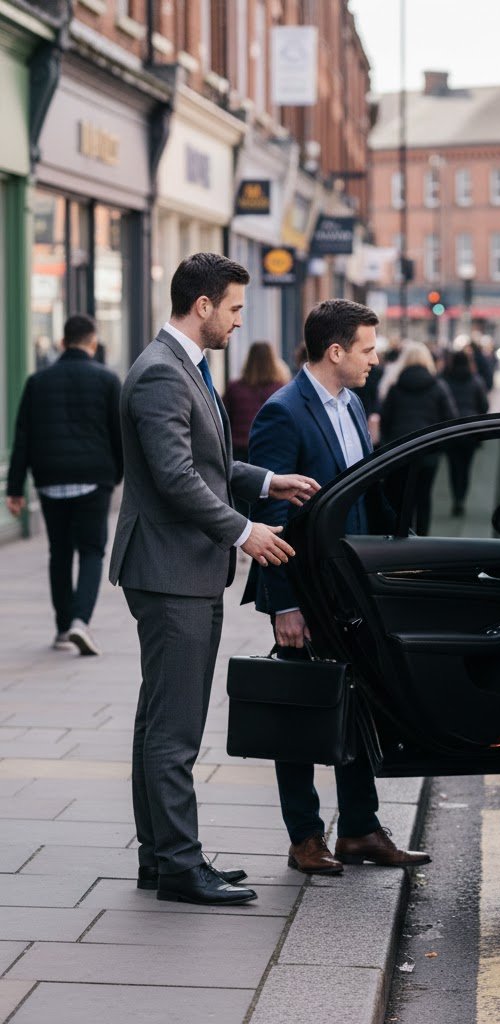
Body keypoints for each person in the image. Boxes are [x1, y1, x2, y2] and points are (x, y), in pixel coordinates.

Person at [108, 252, 319, 907]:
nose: (237, 320)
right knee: (174, 729)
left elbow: (208, 460)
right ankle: (178, 863)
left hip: (179, 569)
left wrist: (263, 480)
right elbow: (175, 478)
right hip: (172, 572)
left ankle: (161, 858)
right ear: (201, 305)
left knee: (158, 725)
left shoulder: (181, 367)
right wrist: (243, 531)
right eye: (232, 308)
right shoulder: (162, 375)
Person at [245, 299, 430, 874]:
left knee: (361, 705)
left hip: (352, 589)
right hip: (305, 590)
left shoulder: (351, 404)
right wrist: (286, 605)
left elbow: (362, 493)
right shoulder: (283, 412)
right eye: (368, 349)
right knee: (301, 712)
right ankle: (305, 837)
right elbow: (267, 516)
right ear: (336, 352)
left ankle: (359, 829)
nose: (376, 359)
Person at [6, 314, 123, 655]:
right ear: (92, 342)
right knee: (91, 551)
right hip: (93, 478)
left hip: (50, 478)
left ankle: (61, 627)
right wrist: (116, 474)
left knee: (59, 553)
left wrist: (15, 488)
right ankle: (80, 622)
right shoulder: (107, 380)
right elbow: (119, 435)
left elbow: (22, 436)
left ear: (62, 343)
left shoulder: (37, 381)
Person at [379, 342, 458, 535]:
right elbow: (451, 418)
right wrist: (437, 445)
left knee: (401, 497)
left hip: (399, 451)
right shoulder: (438, 386)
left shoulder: (395, 387)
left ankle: (402, 537)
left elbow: (385, 420)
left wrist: (388, 444)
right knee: (424, 497)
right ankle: (423, 540)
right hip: (427, 451)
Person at [223, 341, 290, 461]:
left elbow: (223, 419)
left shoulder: (234, 388)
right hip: (269, 449)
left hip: (238, 450)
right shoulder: (281, 389)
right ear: (272, 361)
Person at [442, 348, 489, 516]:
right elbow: (484, 406)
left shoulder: (445, 380)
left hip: (451, 431)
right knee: (466, 468)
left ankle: (456, 498)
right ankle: (461, 498)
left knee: (453, 467)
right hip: (471, 431)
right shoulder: (476, 380)